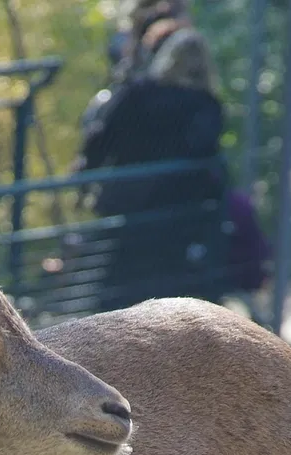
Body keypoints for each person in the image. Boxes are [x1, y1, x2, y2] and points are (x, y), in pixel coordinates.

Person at [76, 10, 232, 310]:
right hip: (179, 213)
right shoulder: (206, 106)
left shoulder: (136, 94)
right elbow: (203, 151)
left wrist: (88, 177)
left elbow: (101, 138)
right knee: (172, 288)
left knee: (119, 284)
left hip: (127, 204)